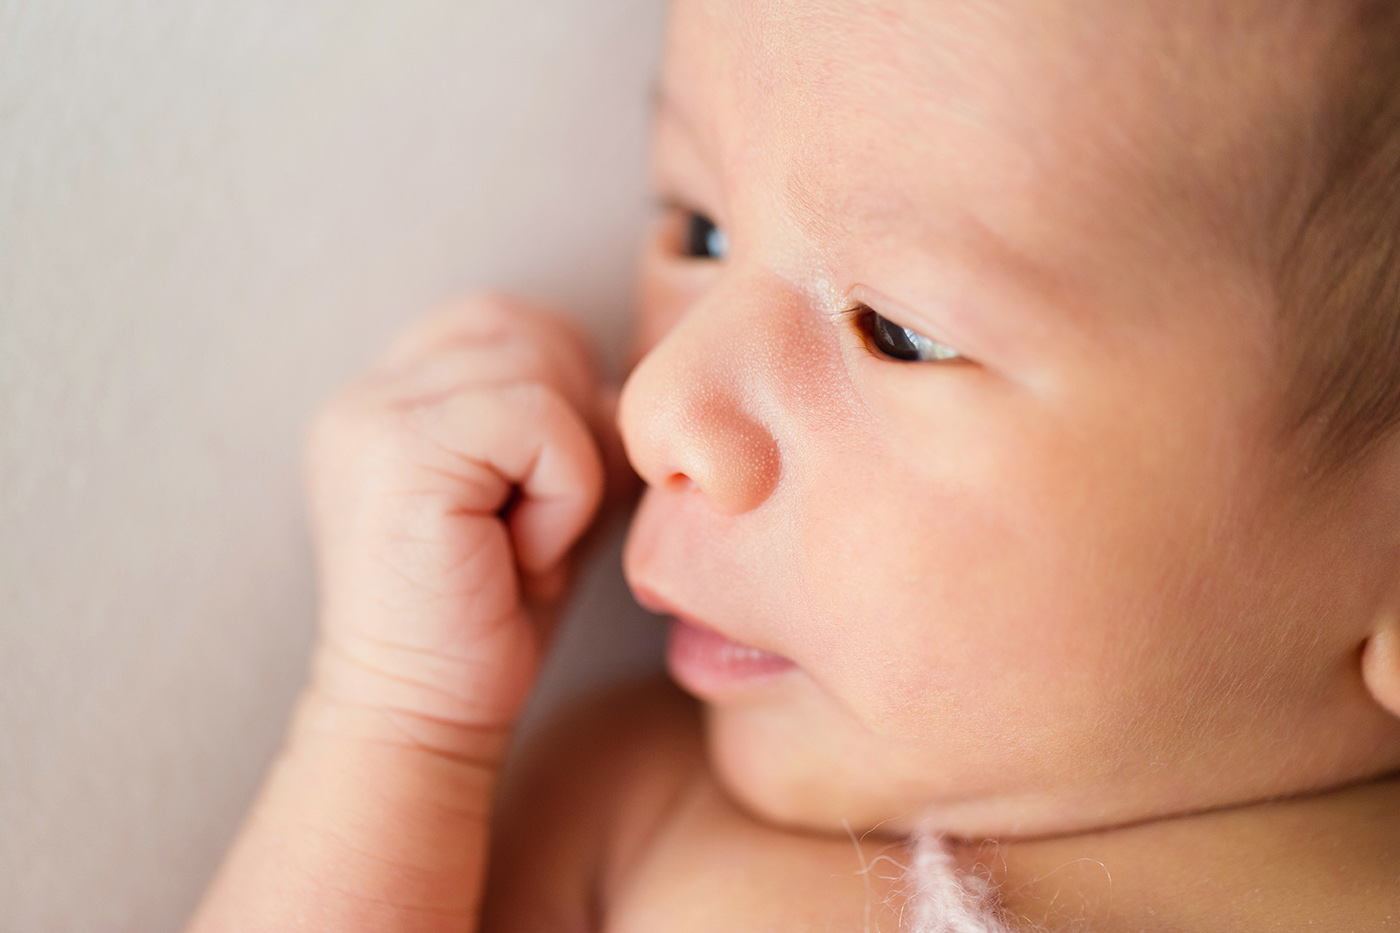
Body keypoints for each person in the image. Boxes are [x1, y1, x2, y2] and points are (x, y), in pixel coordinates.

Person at [186, 1, 1400, 929]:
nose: (658, 405)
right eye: (697, 232)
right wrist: (400, 715)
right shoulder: (637, 819)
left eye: (900, 333)